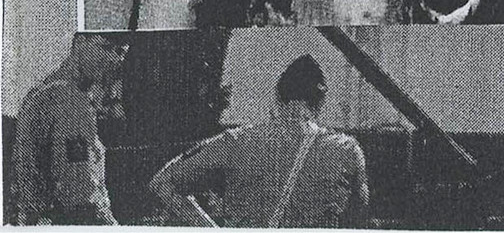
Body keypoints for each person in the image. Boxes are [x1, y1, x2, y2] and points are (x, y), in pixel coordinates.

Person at [150, 54, 370, 228]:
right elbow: (359, 216)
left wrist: (208, 227)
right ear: (320, 103)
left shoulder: (236, 141)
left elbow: (161, 182)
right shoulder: (347, 149)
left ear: (278, 97)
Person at [12, 34, 127, 225]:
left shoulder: (41, 91)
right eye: (105, 48)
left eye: (120, 52)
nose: (114, 59)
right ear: (79, 42)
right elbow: (82, 198)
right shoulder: (70, 99)